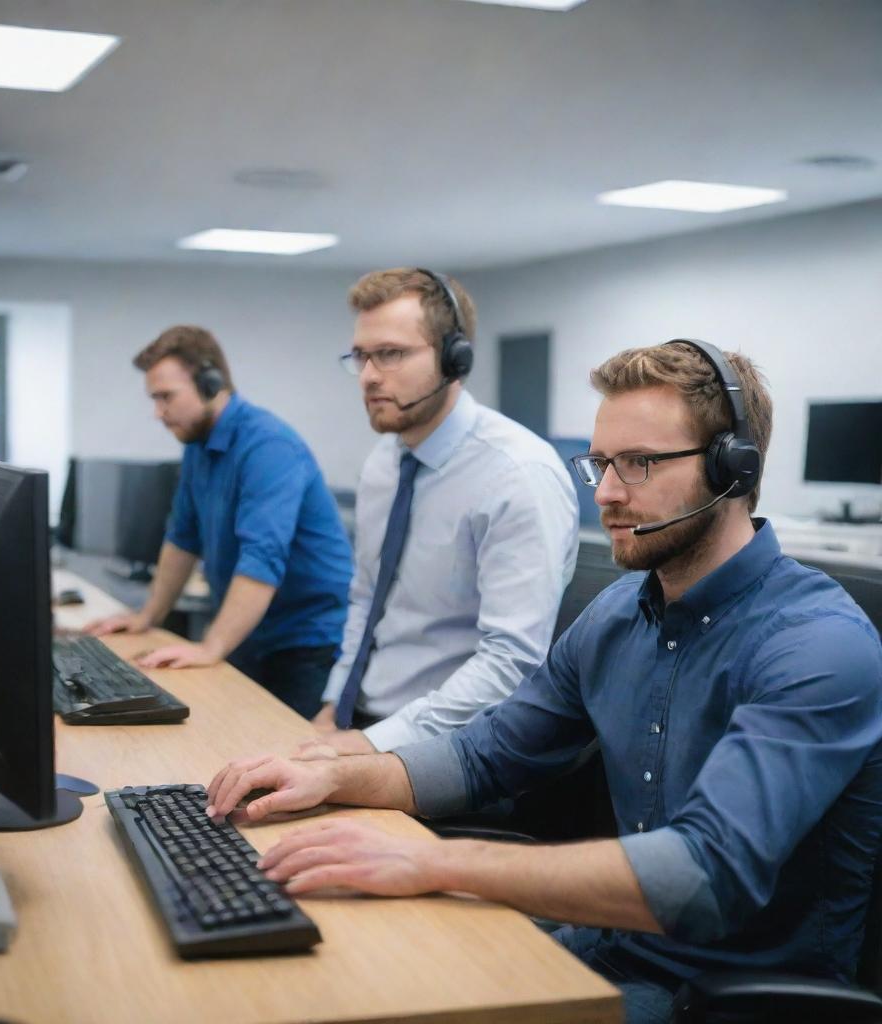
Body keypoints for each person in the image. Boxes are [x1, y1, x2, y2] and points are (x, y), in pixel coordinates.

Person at [205, 339, 882, 1024]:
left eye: (639, 464)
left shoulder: (817, 646)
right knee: (345, 967)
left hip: (723, 996)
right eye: (601, 464)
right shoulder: (620, 613)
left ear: (731, 470)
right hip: (613, 946)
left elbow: (703, 876)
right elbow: (485, 754)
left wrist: (437, 864)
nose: (608, 494)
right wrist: (338, 774)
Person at [310, 267, 578, 755]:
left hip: (458, 750)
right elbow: (366, 600)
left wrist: (377, 747)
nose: (369, 376)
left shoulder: (516, 474)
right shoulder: (383, 465)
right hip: (364, 725)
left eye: (390, 354)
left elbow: (512, 660)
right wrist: (333, 709)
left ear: (456, 359)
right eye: (361, 356)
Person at [84, 325, 353, 719]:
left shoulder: (268, 447)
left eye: (166, 397)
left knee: (283, 760)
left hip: (305, 642)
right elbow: (182, 538)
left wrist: (211, 646)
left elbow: (262, 557)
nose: (158, 412)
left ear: (211, 383)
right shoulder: (199, 445)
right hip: (249, 630)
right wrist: (147, 616)